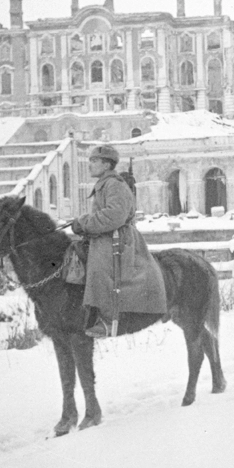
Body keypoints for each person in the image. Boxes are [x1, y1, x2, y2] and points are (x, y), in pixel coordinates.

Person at [71, 144, 167, 338]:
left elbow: (115, 215)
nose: (90, 165)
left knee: (100, 267)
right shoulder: (105, 184)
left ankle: (107, 320)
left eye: (94, 161)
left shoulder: (114, 184)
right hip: (106, 235)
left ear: (107, 165)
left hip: (118, 238)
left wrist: (84, 222)